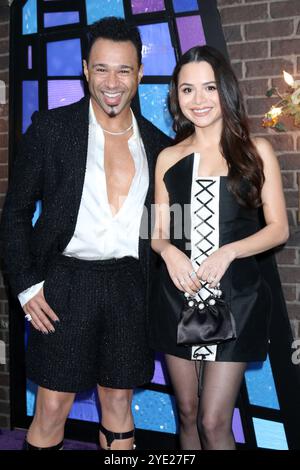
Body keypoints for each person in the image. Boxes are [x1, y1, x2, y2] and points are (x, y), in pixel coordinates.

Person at [1, 17, 171, 450]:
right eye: (101, 69)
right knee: (53, 406)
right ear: (84, 69)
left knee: (118, 402)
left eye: (124, 70)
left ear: (139, 74)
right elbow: (15, 213)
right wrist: (24, 287)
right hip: (64, 284)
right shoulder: (51, 129)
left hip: (129, 287)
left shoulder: (159, 145)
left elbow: (168, 230)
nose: (112, 82)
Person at [150, 45, 289, 450]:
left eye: (208, 87)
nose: (199, 100)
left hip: (237, 299)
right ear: (176, 96)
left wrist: (229, 251)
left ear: (224, 89)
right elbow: (156, 231)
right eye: (187, 90)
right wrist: (167, 251)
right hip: (178, 297)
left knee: (214, 421)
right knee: (189, 413)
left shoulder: (256, 150)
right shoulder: (168, 157)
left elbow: (279, 228)